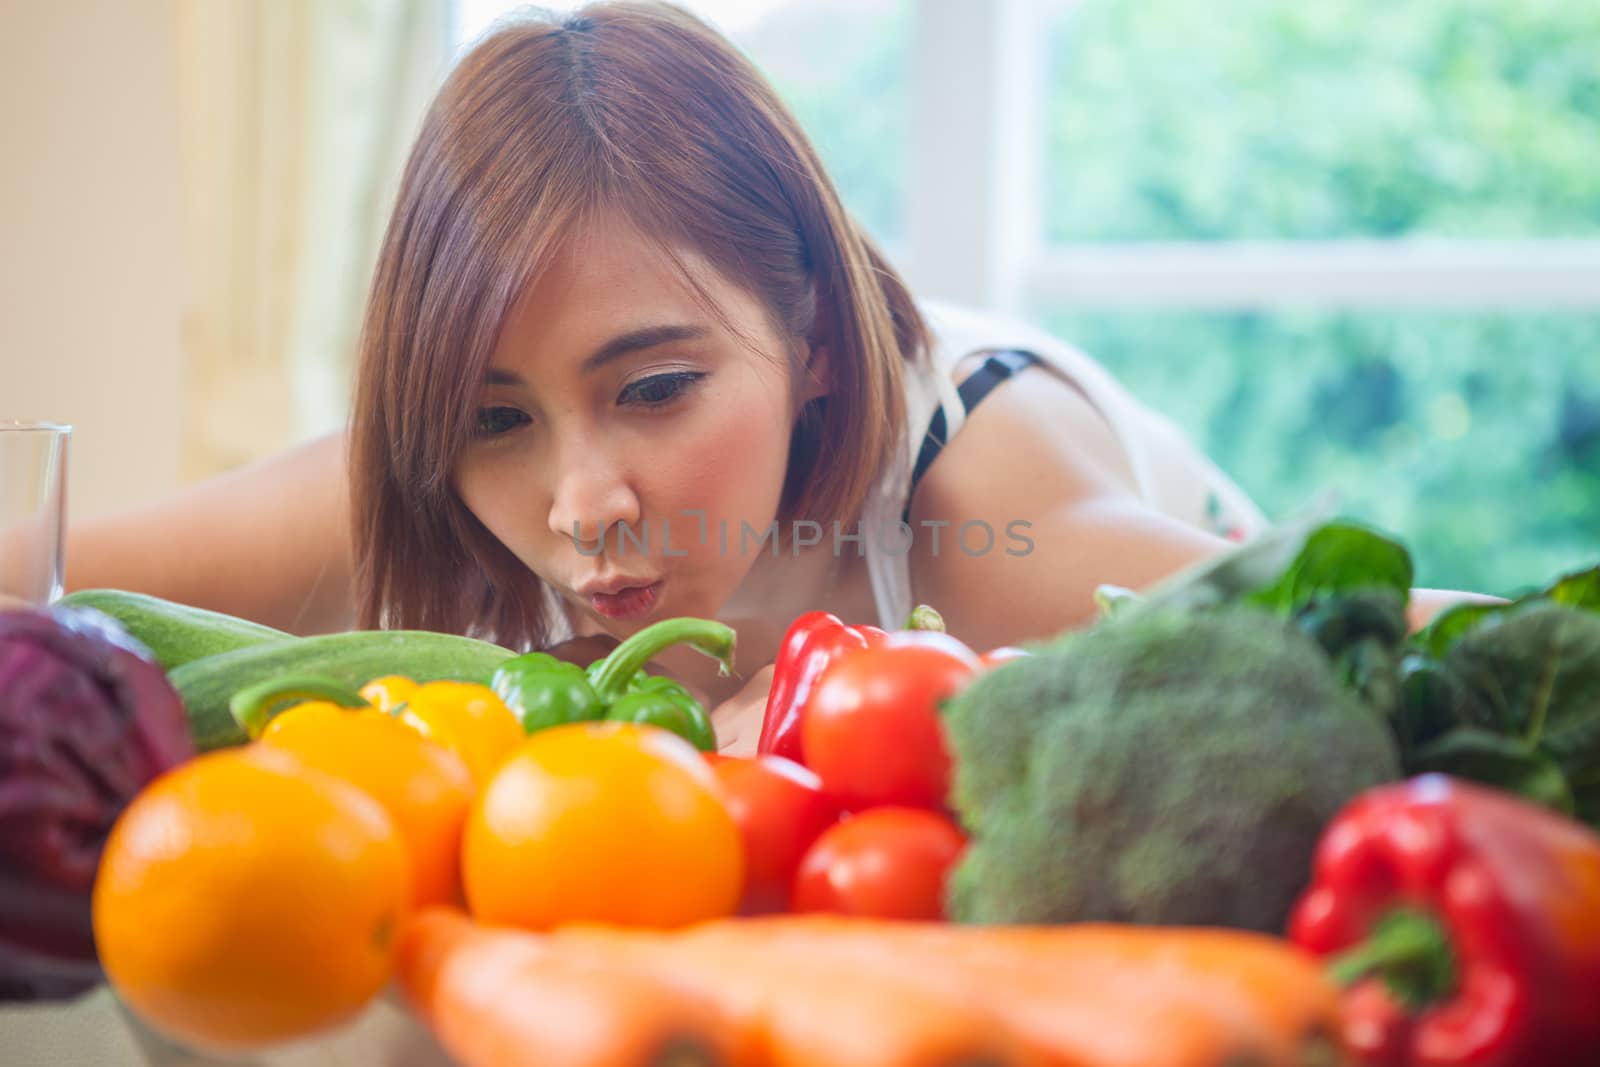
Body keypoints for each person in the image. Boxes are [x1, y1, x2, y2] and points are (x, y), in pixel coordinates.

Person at [63, 1, 1484, 752]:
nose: (584, 504)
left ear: (811, 338)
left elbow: (1430, 635)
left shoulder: (985, 514)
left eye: (658, 386)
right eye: (498, 415)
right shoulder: (423, 479)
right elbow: (43, 581)